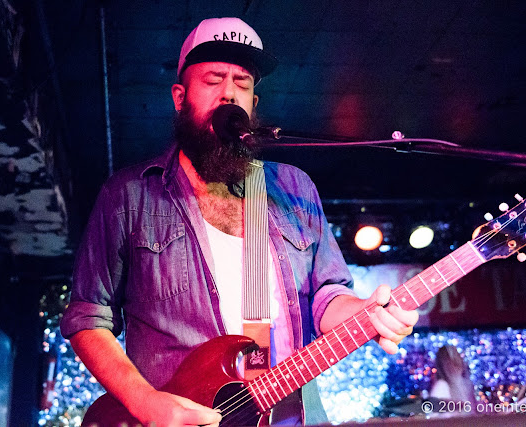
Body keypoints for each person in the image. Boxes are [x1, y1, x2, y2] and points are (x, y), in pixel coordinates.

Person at [61, 17, 419, 426]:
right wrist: (146, 403)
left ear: (252, 106)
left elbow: (327, 296)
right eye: (213, 79)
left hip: (288, 413)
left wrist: (366, 313)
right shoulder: (129, 196)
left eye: (242, 83)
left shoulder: (293, 189)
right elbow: (87, 316)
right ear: (180, 97)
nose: (229, 93)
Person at [429, 345, 476, 412]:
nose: (458, 362)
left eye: (457, 356)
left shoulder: (464, 384)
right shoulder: (441, 387)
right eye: (451, 361)